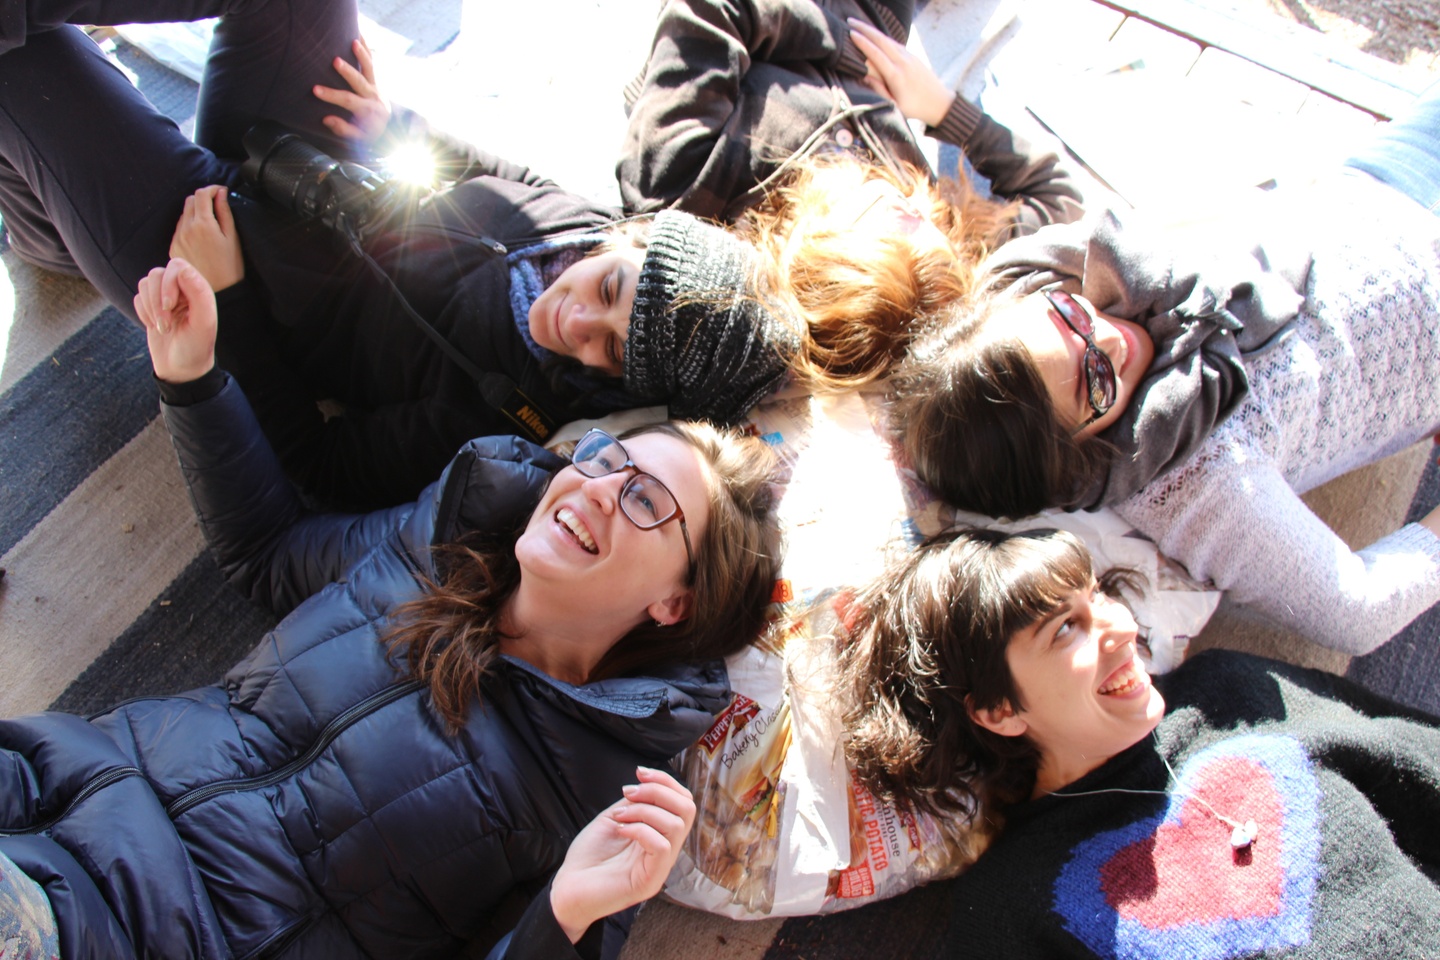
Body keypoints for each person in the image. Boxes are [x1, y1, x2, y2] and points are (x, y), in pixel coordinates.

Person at [0, 256, 784, 960]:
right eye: (604, 458)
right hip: (54, 782)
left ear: (676, 602)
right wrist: (193, 378)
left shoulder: (610, 796)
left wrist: (563, 916)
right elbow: (272, 554)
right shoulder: (440, 539)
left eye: (644, 497)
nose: (598, 488)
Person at [0, 0, 795, 510]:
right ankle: (49, 211)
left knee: (29, 58)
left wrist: (229, 304)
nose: (576, 317)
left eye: (611, 352)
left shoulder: (501, 418)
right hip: (309, 162)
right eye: (612, 288)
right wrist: (396, 126)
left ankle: (51, 221)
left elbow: (322, 467)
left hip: (213, 253)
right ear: (633, 237)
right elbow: (505, 174)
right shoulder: (588, 225)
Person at [888, 84, 1440, 655]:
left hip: (1384, 179)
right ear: (1077, 455)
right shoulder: (1194, 484)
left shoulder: (1081, 266)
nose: (1112, 339)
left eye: (1071, 315)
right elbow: (1355, 612)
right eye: (1095, 383)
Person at [840, 527, 1440, 959]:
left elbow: (1416, 765)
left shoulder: (1230, 694)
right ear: (999, 711)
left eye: (1097, 595)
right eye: (1065, 629)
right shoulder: (1010, 909)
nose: (1124, 626)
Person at [617, 0, 1086, 232]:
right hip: (886, 26)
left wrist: (849, 50)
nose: (906, 212)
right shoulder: (936, 243)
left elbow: (716, 7)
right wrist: (941, 107)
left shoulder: (682, 195)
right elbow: (1060, 199)